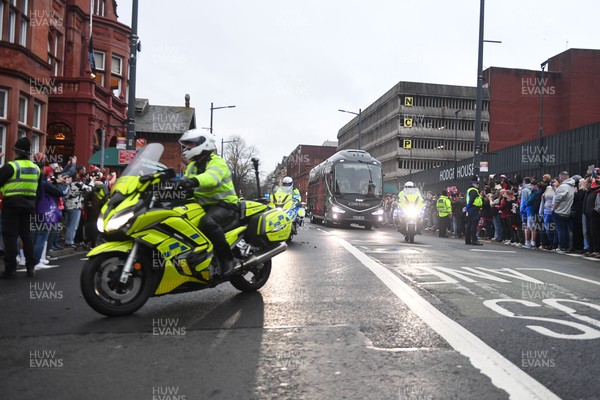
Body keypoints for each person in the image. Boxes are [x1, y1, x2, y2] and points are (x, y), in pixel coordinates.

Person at [177, 129, 239, 277]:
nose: (186, 149)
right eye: (185, 145)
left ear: (202, 144)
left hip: (225, 205)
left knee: (207, 222)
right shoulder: (192, 166)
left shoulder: (217, 162)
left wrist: (193, 181)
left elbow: (212, 178)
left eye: (190, 145)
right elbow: (185, 185)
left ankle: (227, 259)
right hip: (203, 206)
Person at [0, 138, 40, 278]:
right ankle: (30, 267)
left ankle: (10, 269)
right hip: (29, 206)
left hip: (11, 206)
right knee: (26, 236)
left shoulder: (11, 166)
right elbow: (39, 190)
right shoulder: (36, 168)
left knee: (10, 237)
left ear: (16, 152)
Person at [552, 172, 575, 253]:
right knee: (565, 230)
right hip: (566, 211)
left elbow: (558, 198)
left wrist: (553, 209)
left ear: (561, 177)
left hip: (559, 211)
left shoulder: (563, 186)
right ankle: (566, 246)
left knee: (561, 230)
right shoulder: (571, 186)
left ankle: (563, 247)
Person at [465, 175, 483, 246]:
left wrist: (467, 208)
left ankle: (468, 240)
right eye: (477, 183)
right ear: (473, 183)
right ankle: (474, 240)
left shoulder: (470, 190)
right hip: (474, 209)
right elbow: (472, 200)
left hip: (471, 209)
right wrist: (468, 207)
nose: (478, 185)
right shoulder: (474, 191)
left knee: (470, 225)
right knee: (474, 225)